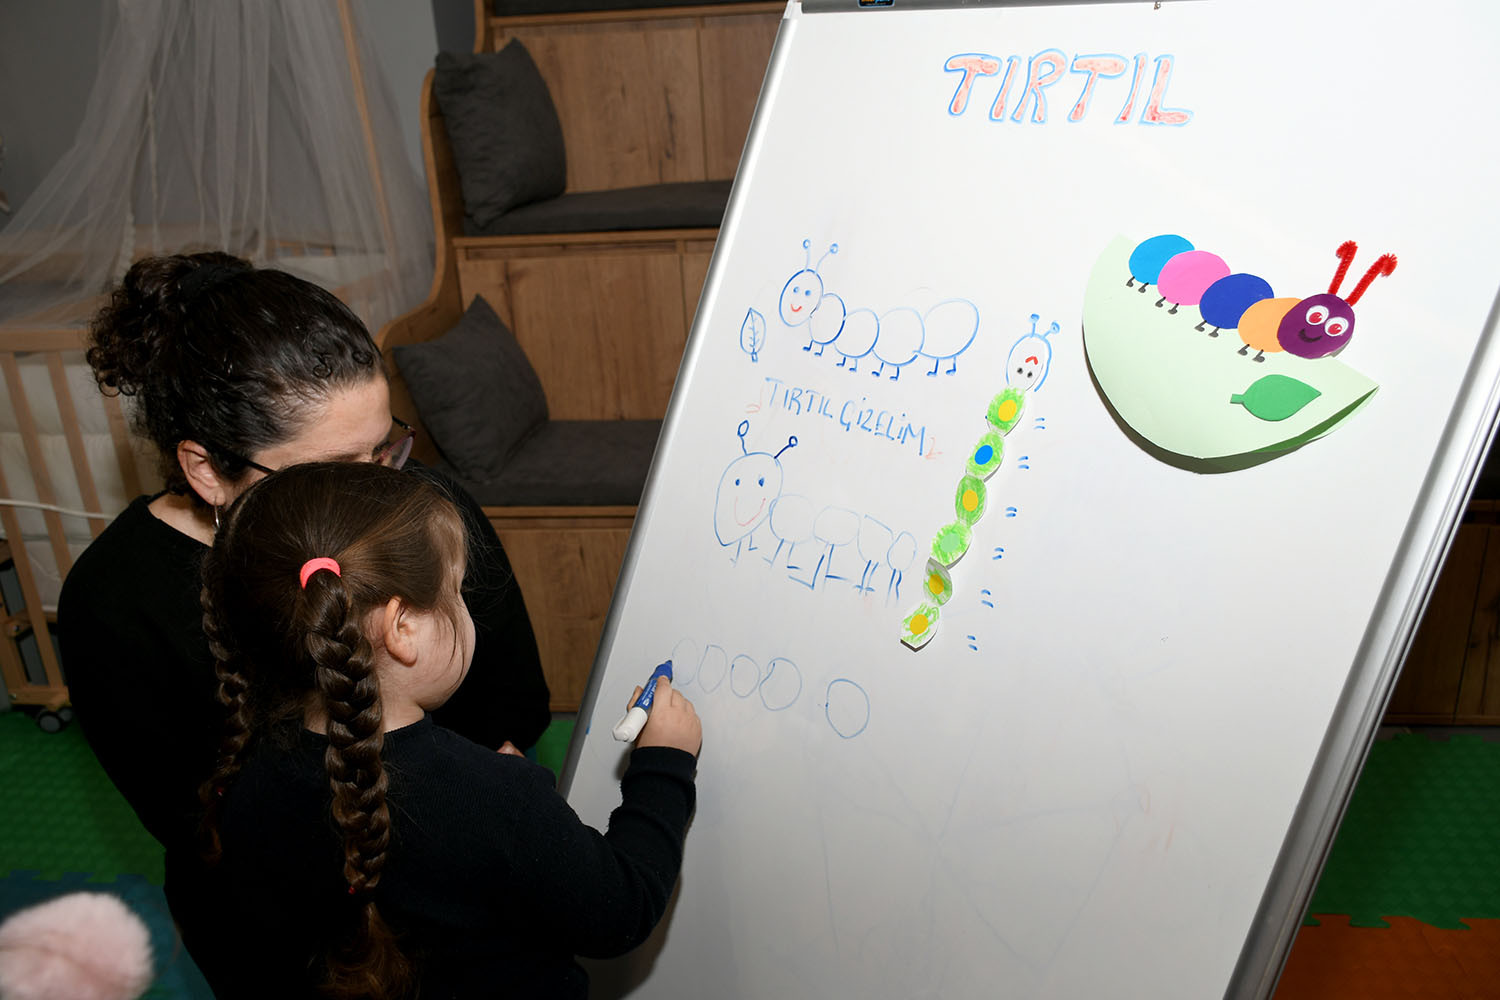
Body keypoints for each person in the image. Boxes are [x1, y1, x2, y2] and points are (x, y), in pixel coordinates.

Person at [55, 252, 551, 973]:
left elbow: (513, 700)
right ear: (205, 469)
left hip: (471, 899)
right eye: (333, 469)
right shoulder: (115, 601)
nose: (378, 491)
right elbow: (196, 826)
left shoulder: (427, 513)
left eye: (383, 449)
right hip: (285, 941)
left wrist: (494, 811)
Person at [197, 462, 700, 998]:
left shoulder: (250, 779)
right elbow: (621, 909)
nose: (466, 607)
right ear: (402, 628)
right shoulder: (496, 801)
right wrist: (663, 764)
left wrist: (498, 799)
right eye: (457, 591)